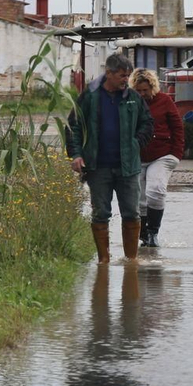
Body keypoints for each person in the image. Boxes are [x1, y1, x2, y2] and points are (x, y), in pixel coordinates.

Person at [66, 52, 154, 263]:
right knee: (100, 213)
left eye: (128, 75)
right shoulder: (90, 96)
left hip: (128, 168)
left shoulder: (133, 98)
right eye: (122, 75)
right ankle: (103, 260)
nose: (126, 80)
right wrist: (76, 154)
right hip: (98, 167)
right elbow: (73, 126)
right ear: (109, 73)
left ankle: (131, 261)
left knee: (132, 214)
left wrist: (136, 143)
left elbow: (148, 124)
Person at [133, 68, 185, 247]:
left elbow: (177, 127)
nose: (142, 94)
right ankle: (143, 236)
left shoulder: (164, 101)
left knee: (155, 190)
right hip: (136, 156)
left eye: (145, 90)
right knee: (138, 198)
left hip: (162, 154)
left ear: (152, 87)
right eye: (138, 90)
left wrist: (176, 153)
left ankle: (153, 232)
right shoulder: (129, 102)